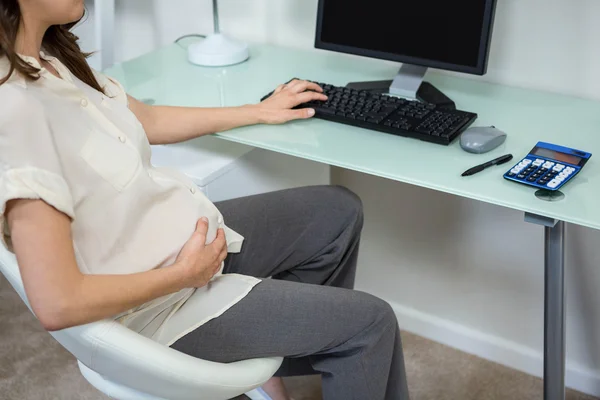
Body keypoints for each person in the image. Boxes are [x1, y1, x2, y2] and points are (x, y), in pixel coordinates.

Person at [0, 1, 410, 399]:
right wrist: (184, 275)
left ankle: (287, 352)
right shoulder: (15, 109)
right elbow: (57, 304)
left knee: (337, 211)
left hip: (181, 241)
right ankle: (325, 349)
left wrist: (259, 111)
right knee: (370, 324)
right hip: (159, 307)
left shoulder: (54, 57)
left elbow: (150, 120)